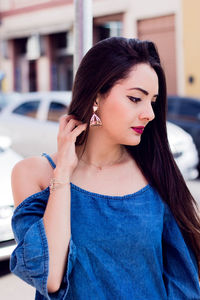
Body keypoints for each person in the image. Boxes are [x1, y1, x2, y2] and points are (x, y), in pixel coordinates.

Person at [10, 37, 200, 300]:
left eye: (152, 101)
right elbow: (51, 277)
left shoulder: (157, 173)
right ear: (97, 96)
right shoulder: (34, 173)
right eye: (136, 98)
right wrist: (63, 173)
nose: (150, 113)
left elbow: (182, 283)